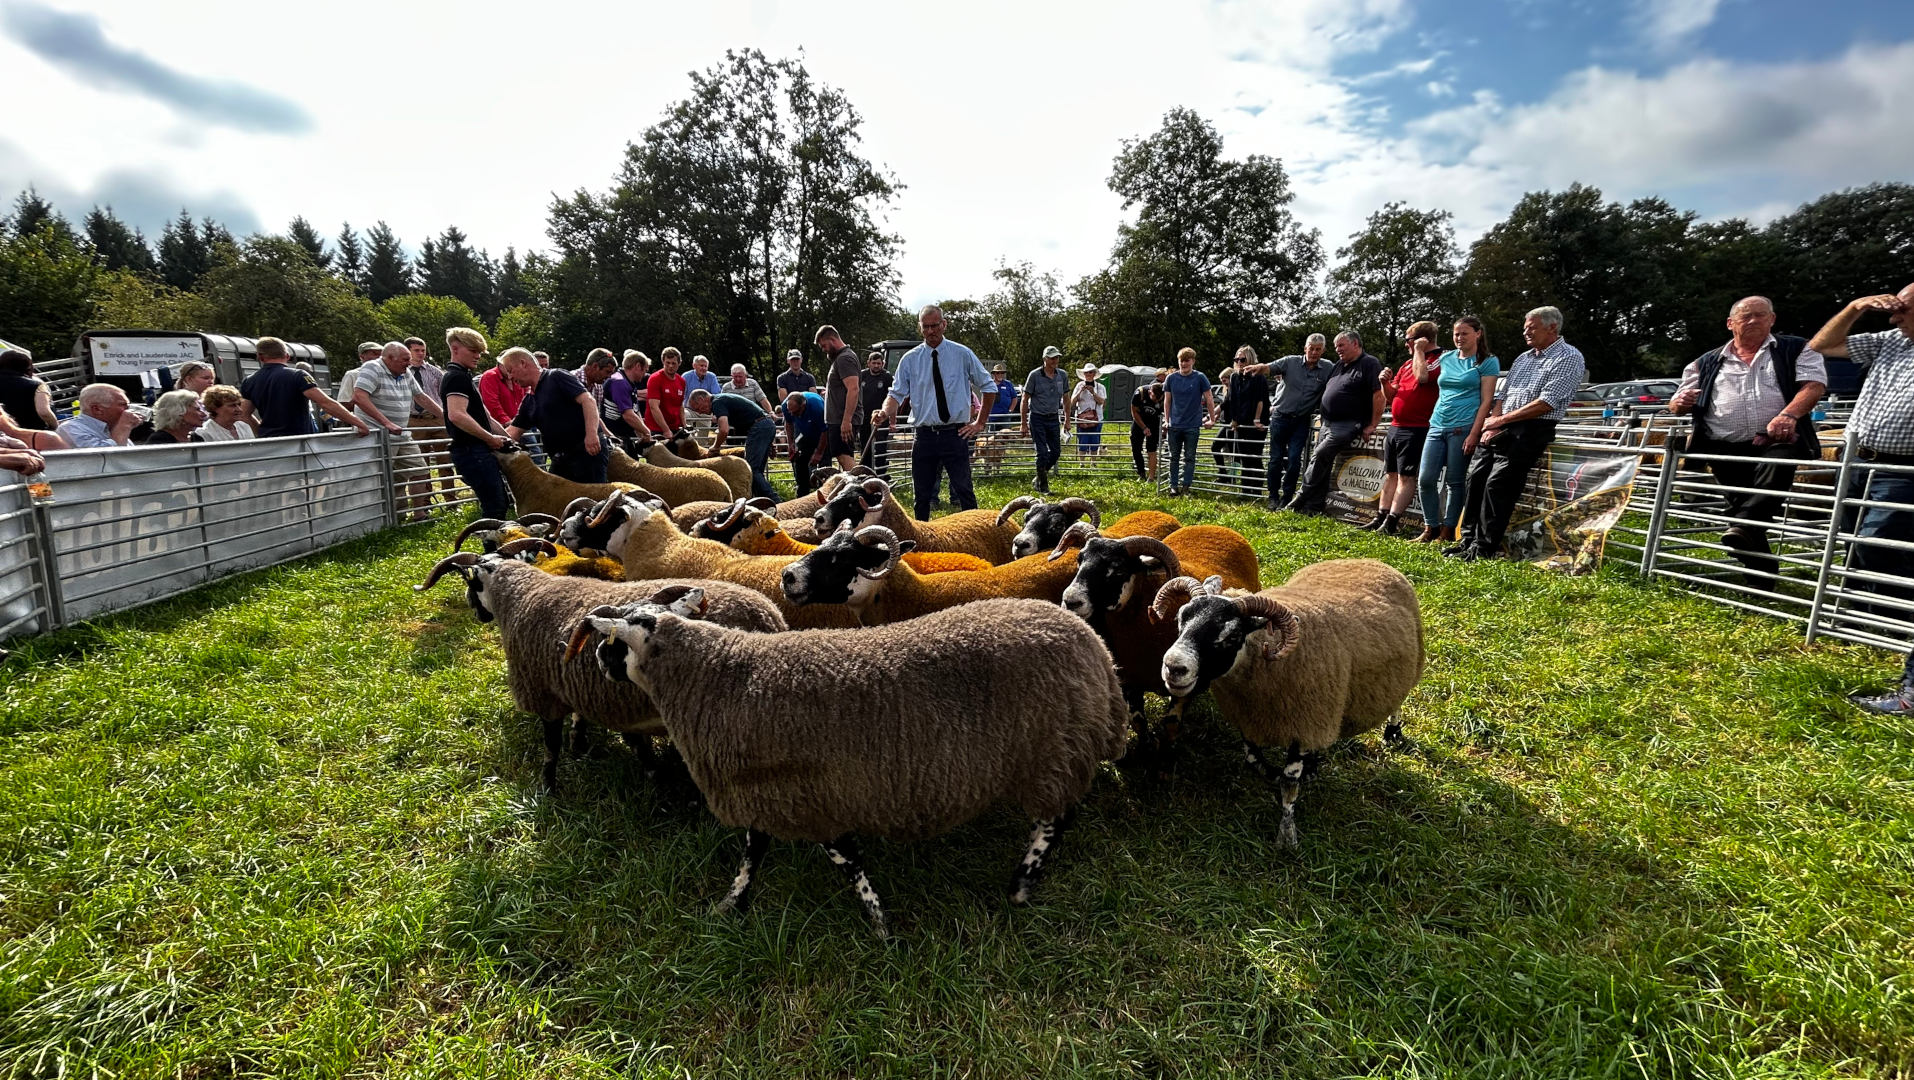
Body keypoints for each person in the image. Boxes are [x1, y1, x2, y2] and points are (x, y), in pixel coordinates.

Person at [1668, 296, 1829, 589]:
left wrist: (1788, 415)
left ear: (1772, 319)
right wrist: (1680, 401)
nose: (1754, 321)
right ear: (1731, 324)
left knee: (1773, 471)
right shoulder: (1706, 361)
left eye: (1761, 315)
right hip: (1722, 444)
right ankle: (1761, 575)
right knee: (1745, 508)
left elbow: (1814, 385)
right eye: (1746, 316)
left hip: (1778, 437)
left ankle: (1745, 532)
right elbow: (1677, 404)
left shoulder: (1796, 348)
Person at [1446, 306, 1587, 561]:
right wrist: (1494, 423)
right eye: (1525, 327)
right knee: (1475, 478)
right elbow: (1503, 395)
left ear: (1552, 327)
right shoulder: (1523, 358)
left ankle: (1484, 548)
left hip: (1531, 429)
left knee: (1497, 485)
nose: (1525, 332)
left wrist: (1500, 420)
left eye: (1531, 327)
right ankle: (1467, 540)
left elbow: (1546, 402)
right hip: (1501, 426)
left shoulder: (1568, 357)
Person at [1806, 281, 1914, 613]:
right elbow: (1822, 345)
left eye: (1903, 310)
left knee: (1876, 541)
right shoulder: (1891, 342)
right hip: (1856, 460)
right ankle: (1859, 612)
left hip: (1901, 470)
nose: (1893, 319)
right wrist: (1855, 308)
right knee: (1852, 539)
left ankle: (1893, 619)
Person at [878, 305, 995, 519]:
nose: (931, 331)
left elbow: (989, 386)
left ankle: (976, 536)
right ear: (919, 327)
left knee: (964, 491)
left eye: (934, 326)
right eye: (926, 327)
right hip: (924, 436)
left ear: (944, 324)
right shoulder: (910, 360)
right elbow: (896, 393)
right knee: (921, 496)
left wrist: (979, 422)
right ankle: (920, 542)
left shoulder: (962, 354)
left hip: (956, 434)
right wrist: (884, 412)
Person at [1414, 317, 1499, 543]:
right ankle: (1430, 526)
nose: (1459, 338)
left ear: (1478, 334)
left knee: (1455, 481)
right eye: (1456, 334)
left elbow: (1487, 400)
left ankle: (1448, 529)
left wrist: (1475, 432)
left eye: (1465, 333)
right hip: (1437, 424)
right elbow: (1422, 376)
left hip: (1463, 428)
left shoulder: (1487, 361)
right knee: (1426, 479)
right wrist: (1418, 352)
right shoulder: (1447, 357)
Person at [1286, 332, 1385, 515]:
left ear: (1355, 344)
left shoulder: (1369, 363)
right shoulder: (1339, 365)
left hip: (1348, 423)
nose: (1337, 350)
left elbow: (1378, 395)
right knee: (1323, 461)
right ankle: (1314, 506)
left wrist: (1372, 424)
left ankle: (1301, 497)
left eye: (1341, 345)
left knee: (1320, 454)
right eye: (1336, 346)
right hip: (1328, 422)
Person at [1364, 322, 1442, 535]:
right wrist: (1384, 383)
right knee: (1390, 474)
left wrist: (1419, 350)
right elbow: (1391, 397)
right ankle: (1381, 515)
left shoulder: (1437, 360)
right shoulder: (1407, 364)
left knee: (1406, 477)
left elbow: (1423, 377)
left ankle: (1392, 521)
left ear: (1421, 340)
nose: (1406, 346)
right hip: (1397, 426)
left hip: (1418, 427)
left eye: (1409, 341)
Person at [353, 342, 444, 521]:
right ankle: (383, 518)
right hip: (377, 436)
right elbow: (359, 396)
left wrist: (445, 418)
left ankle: (418, 514)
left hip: (401, 434)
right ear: (388, 358)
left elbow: (421, 397)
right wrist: (386, 423)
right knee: (382, 477)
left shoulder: (404, 372)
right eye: (404, 360)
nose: (408, 364)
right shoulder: (372, 368)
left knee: (419, 470)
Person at [1243, 334, 1332, 509]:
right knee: (1275, 459)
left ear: (1323, 350)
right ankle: (1273, 496)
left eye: (1318, 349)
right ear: (1305, 348)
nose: (1314, 352)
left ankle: (1288, 497)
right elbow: (1269, 367)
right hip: (1280, 417)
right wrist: (1257, 368)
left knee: (1294, 460)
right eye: (1311, 348)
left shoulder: (1328, 368)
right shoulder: (1290, 362)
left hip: (1301, 420)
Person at [437, 326, 513, 518]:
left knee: (499, 504)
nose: (478, 356)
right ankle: (492, 547)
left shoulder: (463, 377)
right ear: (455, 349)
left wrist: (510, 440)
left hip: (476, 451)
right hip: (472, 451)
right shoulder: (457, 378)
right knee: (495, 507)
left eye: (479, 352)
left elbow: (487, 417)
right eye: (473, 351)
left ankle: (495, 545)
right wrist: (489, 439)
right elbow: (457, 415)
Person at [505, 347, 605, 482]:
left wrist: (591, 435)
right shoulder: (529, 402)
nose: (510, 377)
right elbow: (512, 432)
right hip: (561, 459)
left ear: (523, 363)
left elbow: (588, 400)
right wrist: (489, 440)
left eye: (511, 371)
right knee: (557, 498)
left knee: (593, 496)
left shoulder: (556, 376)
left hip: (586, 452)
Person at [240, 337, 367, 439]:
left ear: (260, 357)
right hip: (300, 442)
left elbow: (244, 414)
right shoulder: (297, 375)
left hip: (271, 444)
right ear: (287, 356)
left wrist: (262, 433)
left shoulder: (249, 381)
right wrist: (359, 423)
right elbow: (325, 403)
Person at [689, 388, 779, 499]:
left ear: (702, 399)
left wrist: (715, 447)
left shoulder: (717, 402)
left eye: (697, 408)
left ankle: (774, 501)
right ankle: (762, 500)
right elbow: (755, 416)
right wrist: (768, 443)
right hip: (765, 424)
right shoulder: (722, 399)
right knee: (757, 470)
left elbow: (724, 430)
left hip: (760, 427)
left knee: (752, 470)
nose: (699, 412)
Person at [1162, 348, 1214, 495]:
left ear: (1193, 361)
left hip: (1192, 425)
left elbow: (1209, 399)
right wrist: (1167, 420)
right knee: (1174, 457)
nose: (1184, 363)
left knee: (1190, 457)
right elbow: (1167, 401)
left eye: (1187, 360)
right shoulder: (1171, 379)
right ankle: (1173, 486)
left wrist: (1212, 419)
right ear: (1178, 362)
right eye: (1181, 361)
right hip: (1175, 425)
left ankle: (1186, 487)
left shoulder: (1200, 377)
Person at [1217, 346, 1270, 488]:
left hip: (1256, 422)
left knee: (1254, 456)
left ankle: (1256, 489)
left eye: (1243, 359)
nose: (1239, 362)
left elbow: (1261, 400)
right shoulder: (1234, 376)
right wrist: (1234, 419)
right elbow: (1233, 399)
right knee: (1243, 456)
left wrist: (1257, 420)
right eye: (1237, 359)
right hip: (1240, 421)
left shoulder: (1258, 377)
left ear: (1250, 359)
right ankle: (1245, 489)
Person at [1020, 345, 1069, 493]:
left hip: (1053, 417)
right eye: (1052, 358)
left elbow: (1066, 399)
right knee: (1041, 452)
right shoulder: (1034, 375)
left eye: (1057, 357)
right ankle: (1043, 486)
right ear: (1045, 359)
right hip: (1037, 418)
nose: (1055, 360)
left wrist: (1067, 419)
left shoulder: (1062, 375)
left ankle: (1039, 477)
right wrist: (1023, 422)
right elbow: (1025, 398)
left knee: (1055, 452)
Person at [816, 325, 863, 472]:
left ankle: (864, 487)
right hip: (839, 419)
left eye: (824, 345)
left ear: (832, 339)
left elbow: (853, 389)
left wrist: (846, 420)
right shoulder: (841, 358)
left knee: (843, 456)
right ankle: (858, 488)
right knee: (843, 455)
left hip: (843, 419)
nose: (823, 349)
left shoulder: (845, 358)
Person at [0, 349, 64, 448]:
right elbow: (44, 412)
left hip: (4, 438)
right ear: (28, 367)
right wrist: (55, 426)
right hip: (33, 436)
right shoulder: (37, 385)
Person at [57, 383, 142, 448]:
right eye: (123, 405)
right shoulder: (71, 429)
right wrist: (124, 427)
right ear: (97, 409)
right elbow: (106, 459)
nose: (128, 409)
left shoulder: (111, 427)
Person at [782, 389, 828, 494]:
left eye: (795, 412)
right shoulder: (787, 406)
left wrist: (819, 453)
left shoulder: (817, 407)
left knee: (824, 461)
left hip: (820, 432)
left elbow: (825, 430)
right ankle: (802, 491)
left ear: (803, 406)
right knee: (800, 459)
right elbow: (788, 424)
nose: (792, 414)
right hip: (802, 432)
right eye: (790, 411)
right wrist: (791, 443)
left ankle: (824, 492)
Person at [477, 352, 531, 440]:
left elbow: (525, 398)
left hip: (519, 425)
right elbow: (491, 403)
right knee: (512, 451)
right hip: (500, 427)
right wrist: (506, 421)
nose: (511, 368)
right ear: (500, 364)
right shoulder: (489, 377)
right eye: (508, 365)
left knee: (534, 450)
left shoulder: (515, 376)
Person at [858, 351, 893, 477]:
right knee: (865, 445)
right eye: (874, 363)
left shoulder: (887, 377)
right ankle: (866, 473)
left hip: (881, 417)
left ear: (882, 364)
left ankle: (881, 473)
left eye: (879, 363)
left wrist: (892, 420)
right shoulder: (862, 375)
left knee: (880, 445)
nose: (876, 366)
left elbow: (893, 397)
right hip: (864, 417)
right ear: (868, 363)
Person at [603, 351, 650, 441]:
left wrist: (642, 432)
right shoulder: (619, 382)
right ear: (638, 366)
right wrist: (647, 432)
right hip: (614, 437)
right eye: (645, 370)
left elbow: (636, 412)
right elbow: (628, 415)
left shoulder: (629, 383)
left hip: (623, 435)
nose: (645, 374)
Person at [1130, 370, 1166, 482]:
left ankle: (1151, 477)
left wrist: (1165, 423)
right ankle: (1141, 473)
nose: (1156, 401)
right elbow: (1134, 411)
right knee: (1136, 448)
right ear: (1150, 391)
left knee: (1151, 449)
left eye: (1158, 400)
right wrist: (1143, 427)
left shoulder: (1165, 396)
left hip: (1154, 422)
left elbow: (1167, 411)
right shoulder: (1140, 393)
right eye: (1154, 398)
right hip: (1139, 421)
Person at [646, 347, 688, 436]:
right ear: (663, 362)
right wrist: (666, 430)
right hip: (657, 429)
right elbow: (654, 406)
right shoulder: (655, 379)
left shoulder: (681, 381)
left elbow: (680, 405)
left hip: (674, 428)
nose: (670, 366)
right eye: (667, 363)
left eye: (674, 363)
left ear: (679, 363)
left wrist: (684, 425)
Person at [1067, 366, 1106, 456]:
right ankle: (1082, 463)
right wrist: (1080, 391)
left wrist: (1093, 393)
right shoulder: (1079, 385)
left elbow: (1102, 402)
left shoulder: (1100, 387)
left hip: (1097, 418)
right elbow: (1072, 402)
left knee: (1095, 441)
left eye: (1090, 372)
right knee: (1082, 441)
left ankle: (1093, 462)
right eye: (1086, 372)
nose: (1088, 374)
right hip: (1082, 419)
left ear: (1094, 374)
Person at [141, 390, 206, 444]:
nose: (204, 414)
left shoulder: (197, 439)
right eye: (198, 409)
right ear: (178, 412)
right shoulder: (159, 441)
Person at [988, 364, 1019, 430]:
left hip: (1005, 415)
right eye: (998, 373)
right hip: (992, 415)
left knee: (1006, 436)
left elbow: (1014, 398)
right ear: (994, 374)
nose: (1000, 374)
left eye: (1002, 373)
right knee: (991, 437)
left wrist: (1010, 410)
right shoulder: (990, 384)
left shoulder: (1008, 384)